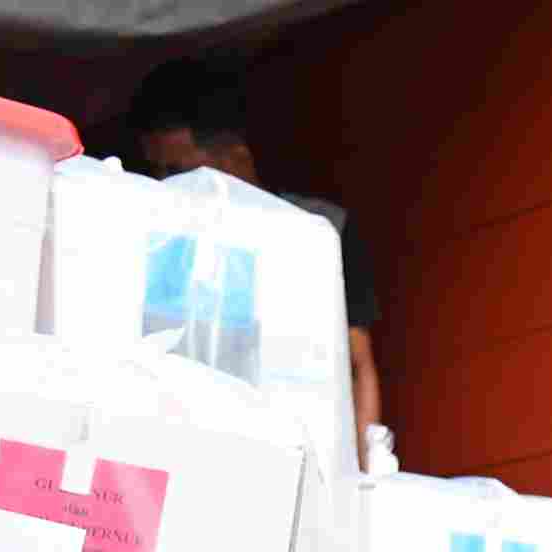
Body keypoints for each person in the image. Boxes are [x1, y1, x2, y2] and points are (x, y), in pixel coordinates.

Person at [127, 58, 384, 465]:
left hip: (297, 460)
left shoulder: (319, 232)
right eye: (156, 172)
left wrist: (361, 476)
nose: (166, 185)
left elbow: (356, 366)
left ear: (236, 157)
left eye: (177, 170)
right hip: (177, 451)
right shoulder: (157, 237)